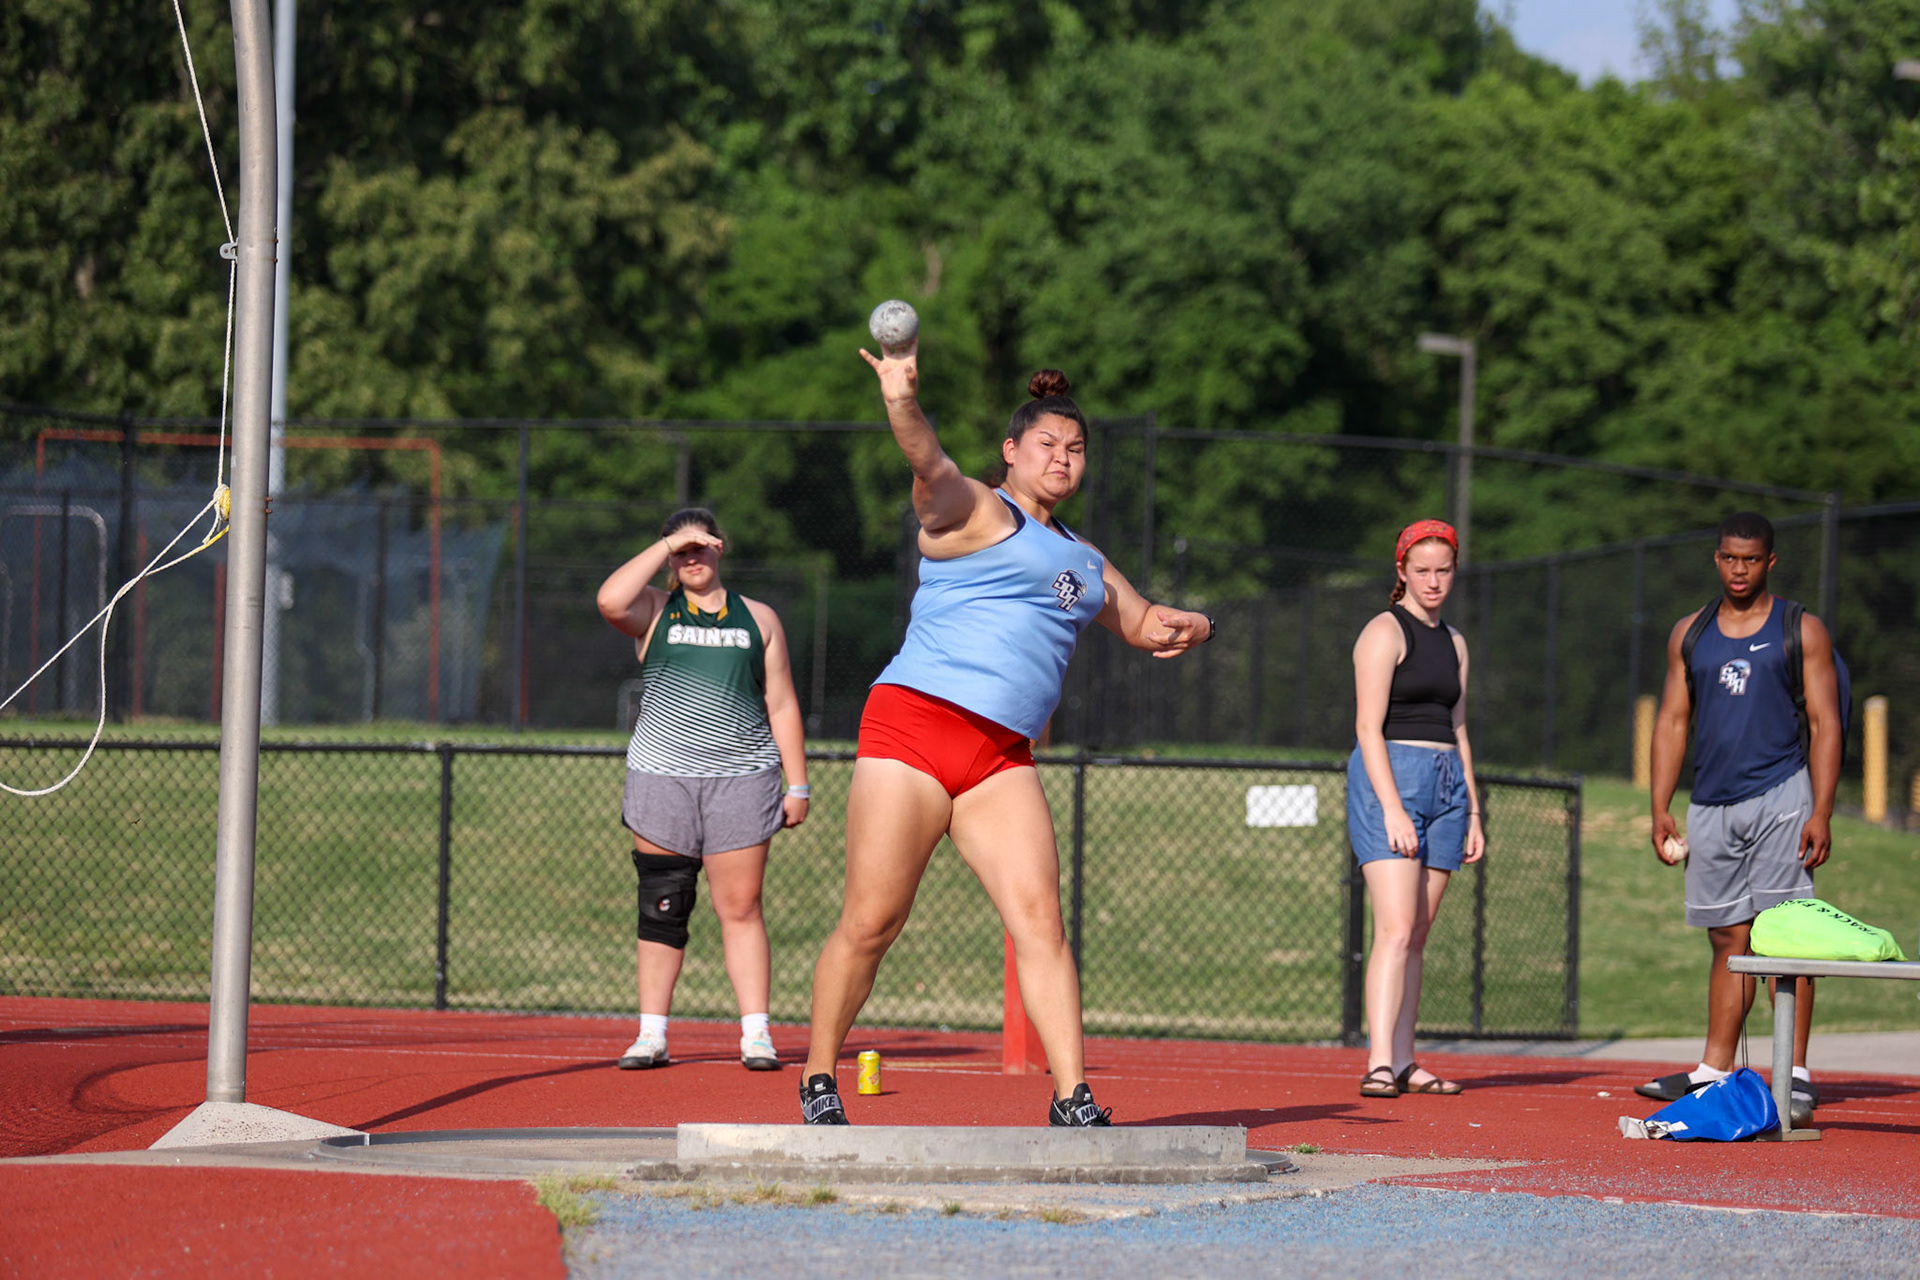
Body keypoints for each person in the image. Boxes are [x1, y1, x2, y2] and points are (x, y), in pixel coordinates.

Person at [796, 342, 1215, 1127]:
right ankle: (819, 1075)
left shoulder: (1083, 557)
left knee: (1041, 924)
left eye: (1076, 448)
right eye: (1048, 444)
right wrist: (900, 400)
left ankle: (1072, 1097)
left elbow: (1144, 623)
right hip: (916, 728)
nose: (1063, 458)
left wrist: (1199, 624)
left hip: (1000, 757)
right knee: (873, 921)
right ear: (1012, 452)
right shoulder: (980, 512)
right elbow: (929, 465)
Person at [1638, 512, 1840, 1127]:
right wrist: (1659, 806)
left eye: (1751, 559)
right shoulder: (1690, 632)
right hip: (1710, 805)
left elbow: (1825, 723)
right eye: (1729, 557)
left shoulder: (1800, 629)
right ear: (1716, 558)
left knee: (1785, 937)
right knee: (1728, 940)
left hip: (1782, 795)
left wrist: (1822, 810)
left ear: (1769, 562)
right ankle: (1714, 1071)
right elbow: (1673, 720)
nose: (1739, 569)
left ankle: (1794, 1075)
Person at [595, 507, 811, 1072]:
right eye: (681, 551)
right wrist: (666, 545)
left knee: (740, 907)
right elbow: (610, 600)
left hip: (742, 778)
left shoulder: (758, 618)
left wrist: (798, 784)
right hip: (662, 777)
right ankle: (652, 1035)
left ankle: (756, 1034)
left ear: (720, 548)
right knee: (663, 903)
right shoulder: (654, 610)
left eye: (700, 546)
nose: (691, 558)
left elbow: (781, 702)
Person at [1347, 519, 1485, 1099]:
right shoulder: (1384, 630)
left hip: (1447, 786)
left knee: (1419, 933)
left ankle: (1405, 1060)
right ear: (1401, 570)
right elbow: (1367, 728)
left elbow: (1459, 727)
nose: (1433, 581)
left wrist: (1472, 810)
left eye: (1443, 571)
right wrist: (1393, 809)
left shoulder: (1455, 642)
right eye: (1422, 570)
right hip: (1392, 779)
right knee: (1397, 928)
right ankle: (1379, 1061)